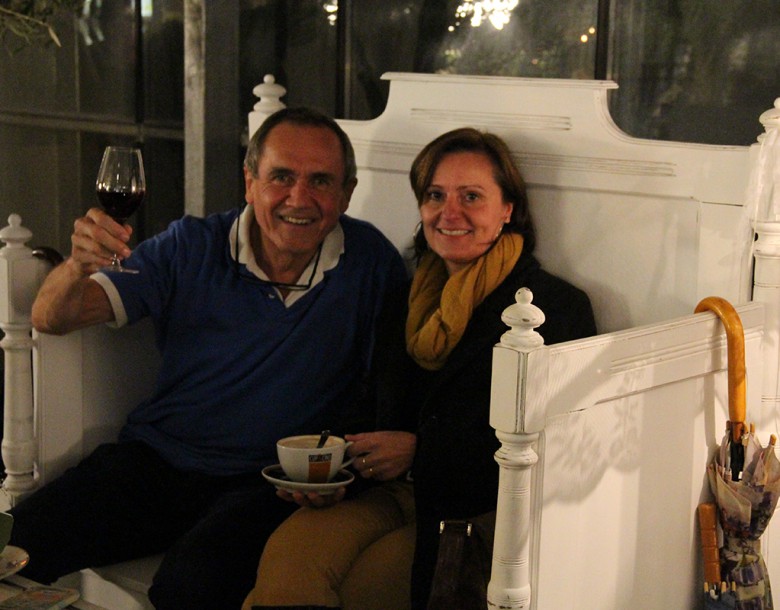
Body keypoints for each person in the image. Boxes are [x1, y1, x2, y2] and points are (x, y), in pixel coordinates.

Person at [9, 106, 407, 609]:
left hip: (272, 484)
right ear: (249, 182)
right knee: (12, 545)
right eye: (281, 177)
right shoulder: (190, 245)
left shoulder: (372, 263)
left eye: (321, 181)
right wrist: (76, 266)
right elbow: (50, 317)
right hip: (159, 461)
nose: (298, 198)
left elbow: (393, 385)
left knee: (190, 586)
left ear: (346, 194)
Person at [243, 127, 597, 610]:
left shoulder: (552, 308)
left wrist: (420, 452)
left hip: (470, 512)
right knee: (287, 564)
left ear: (507, 209)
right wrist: (331, 472)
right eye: (435, 195)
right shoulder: (407, 295)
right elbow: (371, 404)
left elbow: (555, 448)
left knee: (359, 589)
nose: (449, 212)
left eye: (471, 196)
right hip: (386, 492)